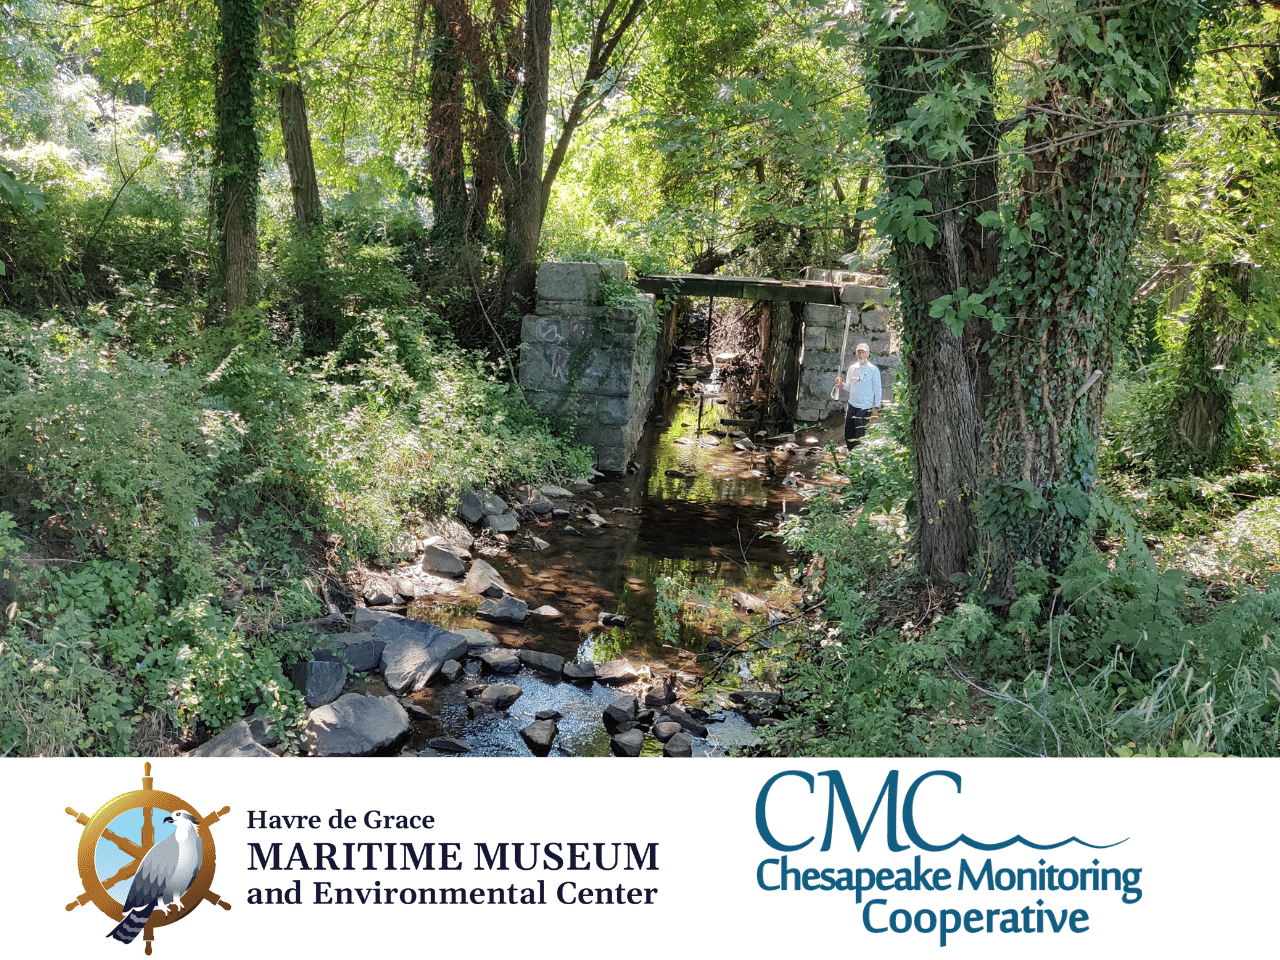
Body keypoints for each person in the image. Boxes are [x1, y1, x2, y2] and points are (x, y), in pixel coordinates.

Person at [834, 342, 881, 449]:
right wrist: (841, 384)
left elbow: (877, 390)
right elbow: (850, 387)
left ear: (868, 354)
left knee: (860, 435)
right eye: (859, 352)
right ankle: (851, 455)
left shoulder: (873, 370)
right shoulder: (852, 368)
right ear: (856, 354)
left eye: (863, 352)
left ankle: (859, 458)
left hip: (865, 407)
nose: (861, 355)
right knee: (849, 434)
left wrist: (876, 408)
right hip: (852, 405)